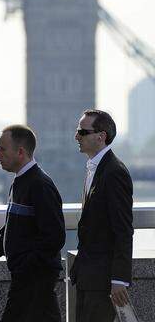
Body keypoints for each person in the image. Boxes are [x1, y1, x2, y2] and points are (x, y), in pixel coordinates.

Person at [0, 124, 65, 322]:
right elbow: (12, 232)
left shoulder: (40, 185)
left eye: (2, 149)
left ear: (20, 152)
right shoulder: (20, 182)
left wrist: (25, 266)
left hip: (33, 280)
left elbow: (55, 237)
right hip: (30, 278)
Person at [70, 110, 133, 322]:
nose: (76, 136)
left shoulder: (114, 172)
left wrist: (119, 280)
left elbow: (123, 229)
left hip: (103, 280)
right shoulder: (94, 168)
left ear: (101, 136)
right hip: (89, 276)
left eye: (82, 132)